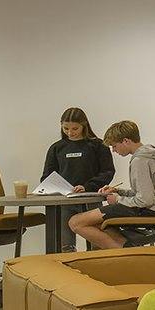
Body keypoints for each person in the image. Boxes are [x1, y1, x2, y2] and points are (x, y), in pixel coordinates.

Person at [69, 120, 155, 251]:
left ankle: (128, 253)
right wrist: (119, 191)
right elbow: (147, 192)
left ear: (126, 141)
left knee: (76, 222)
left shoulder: (140, 160)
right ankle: (127, 248)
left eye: (114, 146)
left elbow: (146, 200)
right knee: (96, 224)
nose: (113, 150)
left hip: (150, 209)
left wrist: (117, 199)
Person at [42, 107, 114, 249]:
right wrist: (58, 188)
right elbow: (47, 176)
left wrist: (87, 186)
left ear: (84, 125)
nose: (70, 132)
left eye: (75, 128)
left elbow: (108, 171)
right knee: (65, 246)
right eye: (66, 128)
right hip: (65, 202)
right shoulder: (56, 148)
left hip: (91, 199)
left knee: (97, 245)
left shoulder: (98, 146)